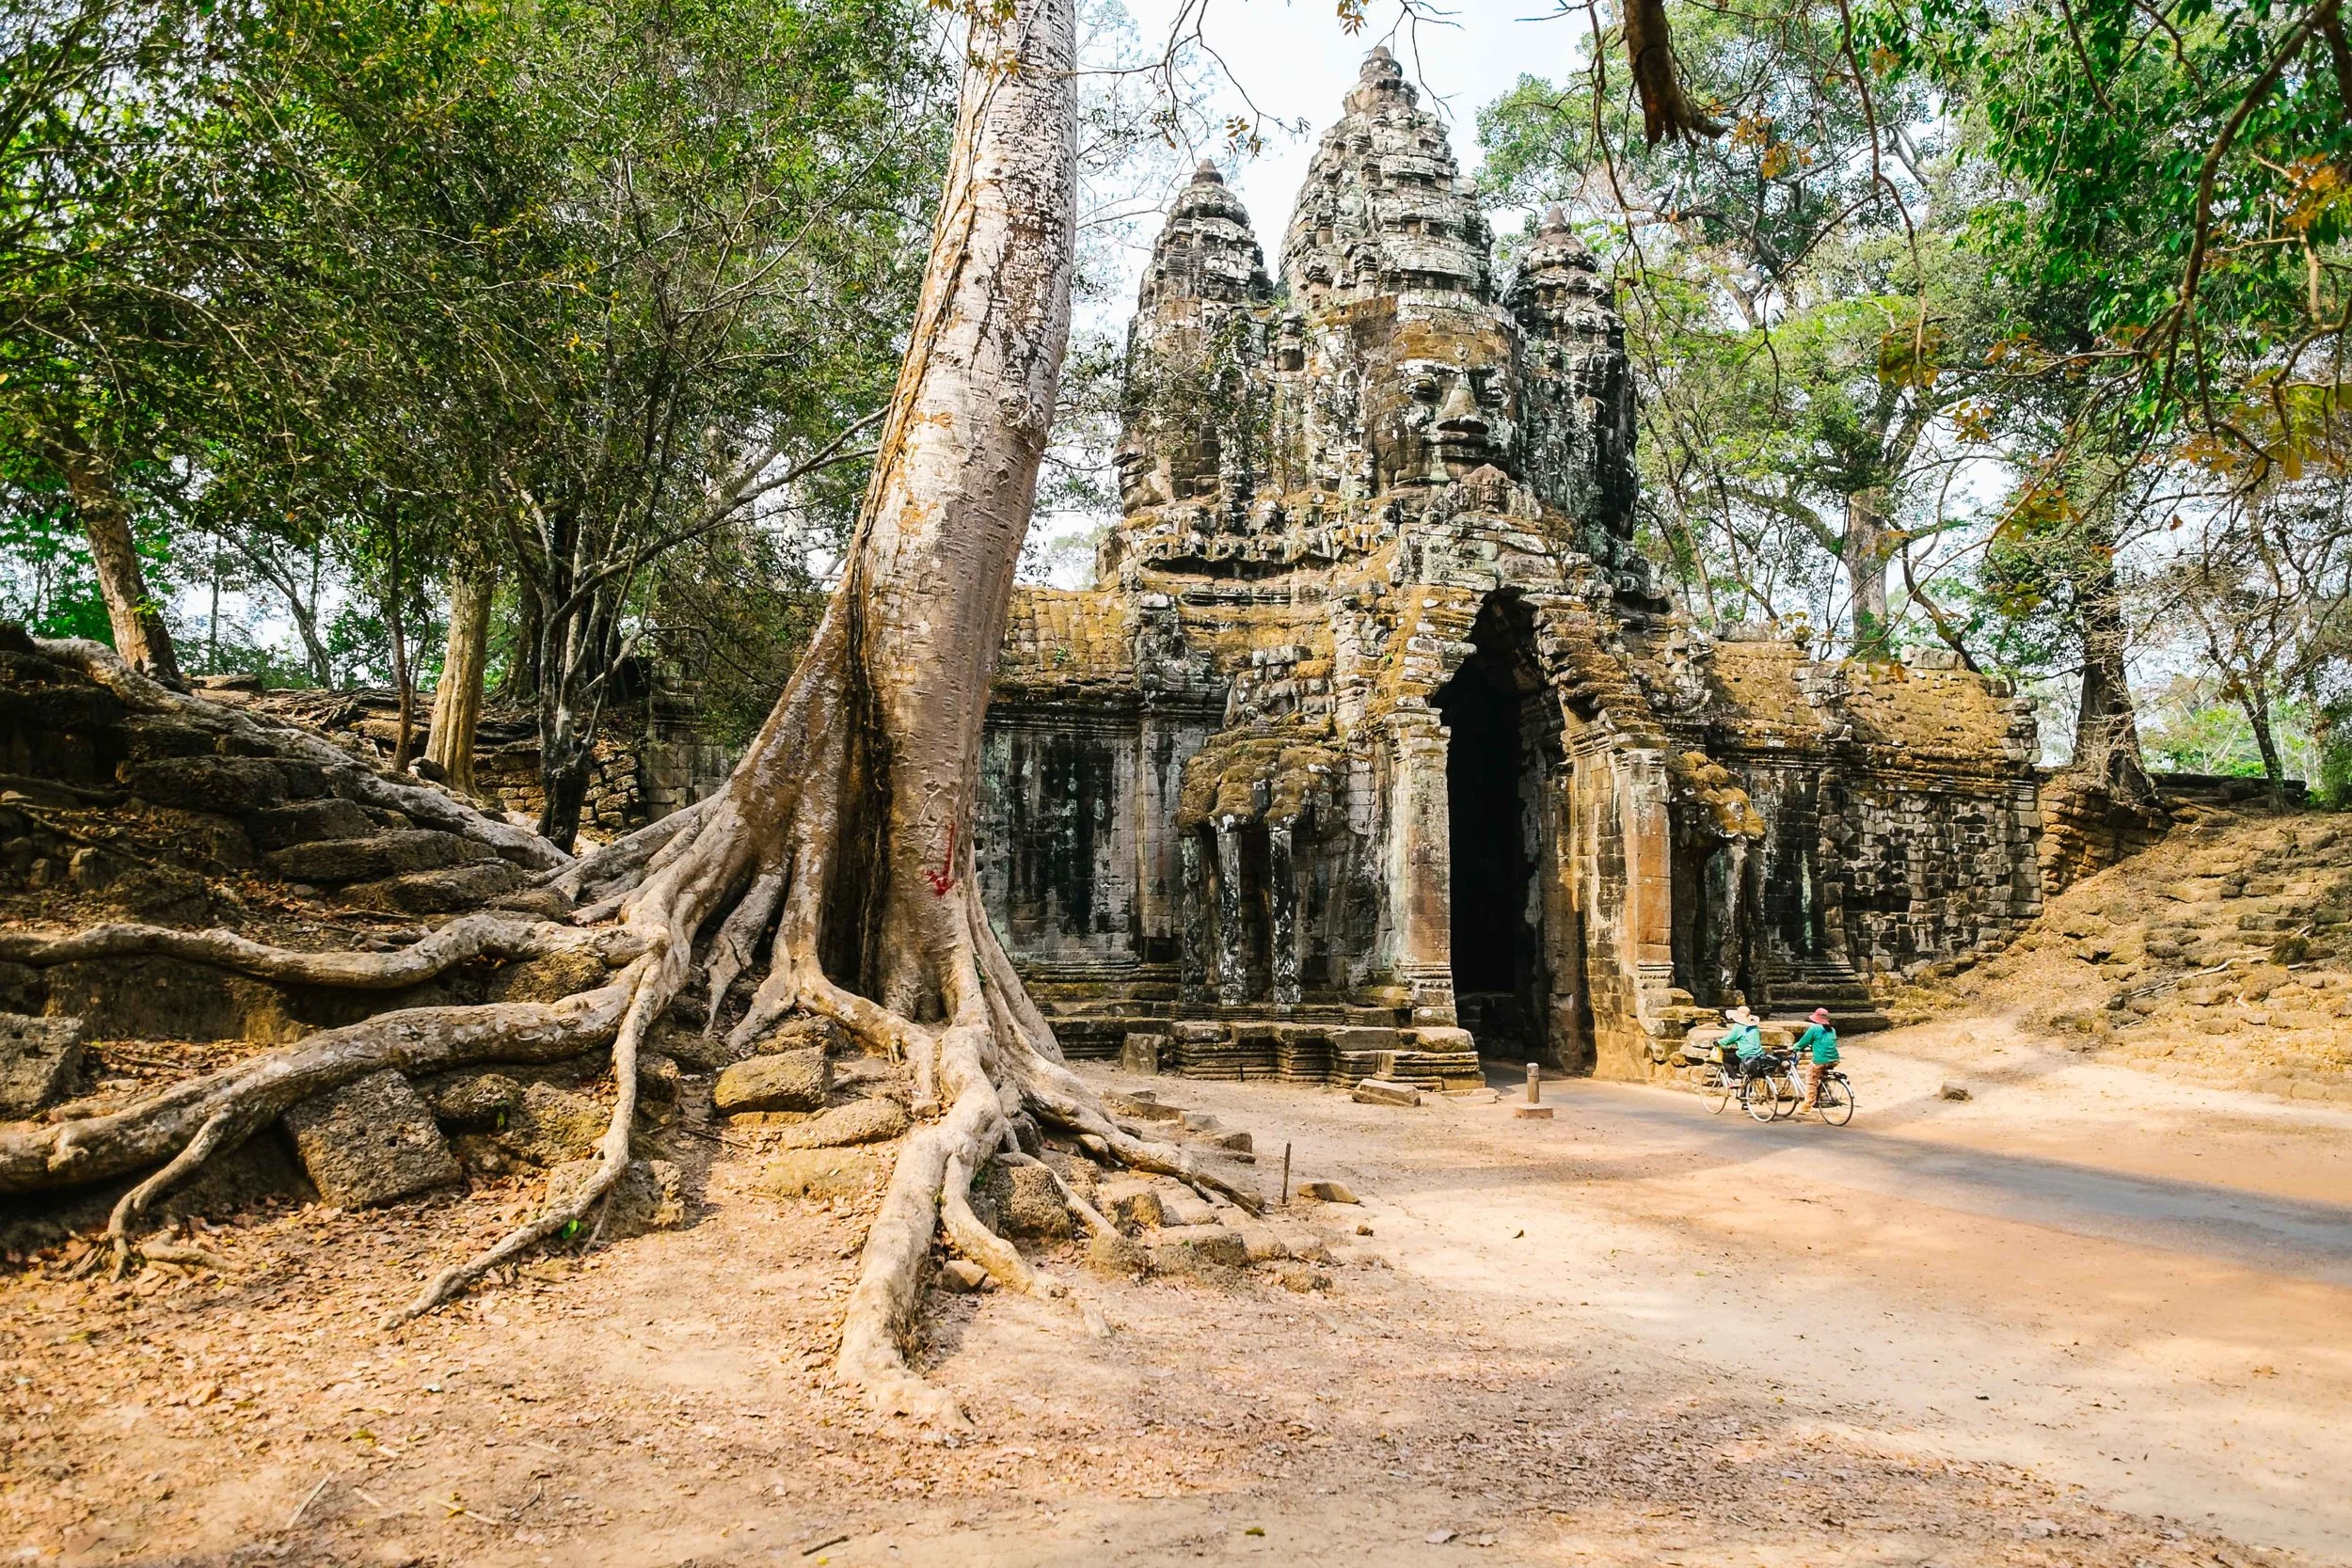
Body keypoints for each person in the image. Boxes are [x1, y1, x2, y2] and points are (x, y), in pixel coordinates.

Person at [1793, 1006, 1838, 1111]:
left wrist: (1794, 1047)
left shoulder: (1814, 1028)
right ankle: (1818, 1096)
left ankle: (1807, 1105)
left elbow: (1803, 1042)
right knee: (1820, 1075)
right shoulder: (1832, 1030)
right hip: (1834, 1059)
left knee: (1811, 1078)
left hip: (1821, 1060)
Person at [1715, 1005, 1766, 1080]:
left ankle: (1736, 1079)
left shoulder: (1738, 1026)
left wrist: (1718, 1042)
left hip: (1745, 1054)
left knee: (1726, 1059)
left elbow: (1729, 1039)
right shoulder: (1754, 1027)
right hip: (1758, 1054)